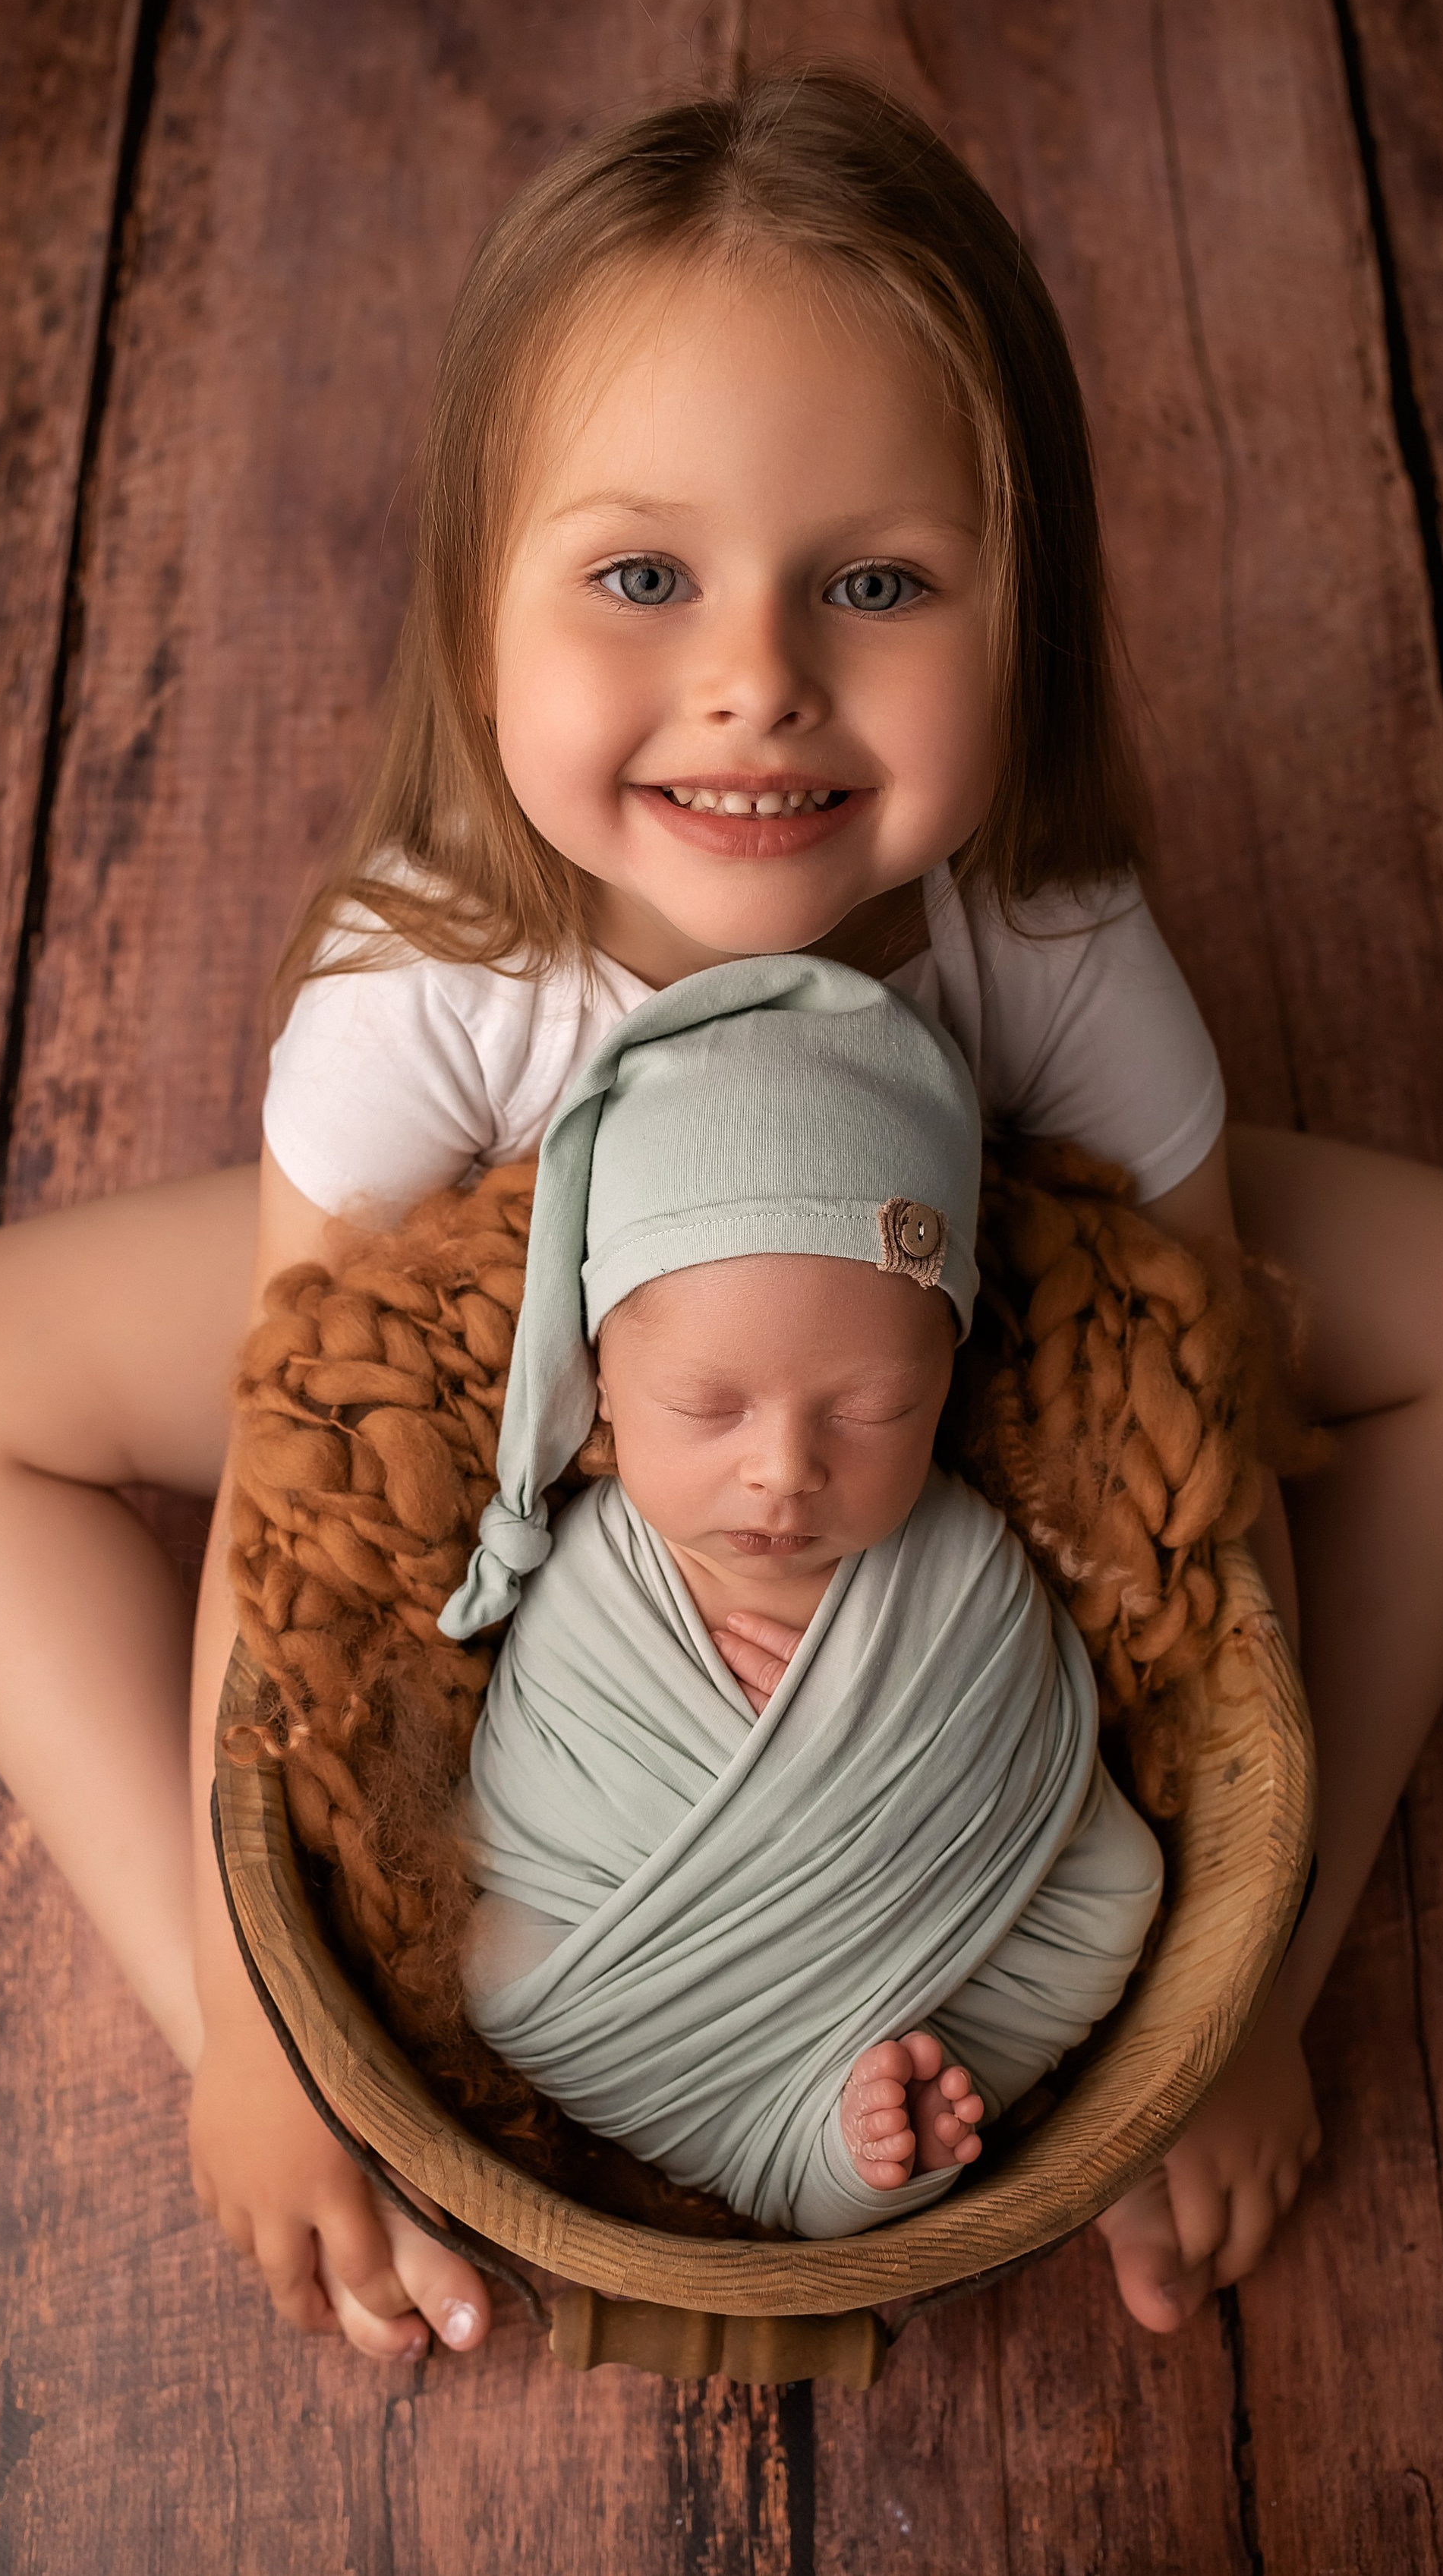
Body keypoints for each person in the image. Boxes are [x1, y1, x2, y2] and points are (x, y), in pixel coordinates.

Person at [0, 70, 1443, 2363]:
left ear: (1020, 612)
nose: (758, 676)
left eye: (877, 582)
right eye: (642, 575)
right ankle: (272, 2043)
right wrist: (256, 2019)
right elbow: (301, 1490)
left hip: (932, 1337)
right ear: (480, 612)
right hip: (509, 1343)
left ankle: (1274, 1944)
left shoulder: (1035, 935)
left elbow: (1188, 1447)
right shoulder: (439, 969)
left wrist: (1232, 1994)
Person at [445, 954, 1163, 2237]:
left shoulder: (965, 1572)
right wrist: (765, 1780)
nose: (784, 1470)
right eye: (706, 1408)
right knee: (498, 1973)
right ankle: (815, 2140)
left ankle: (864, 2137)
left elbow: (1063, 1796)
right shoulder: (590, 1582)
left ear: (945, 1388)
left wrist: (866, 1762)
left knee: (1116, 1892)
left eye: (871, 1410)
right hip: (636, 1985)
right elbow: (518, 1812)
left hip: (928, 1946)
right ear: (602, 1380)